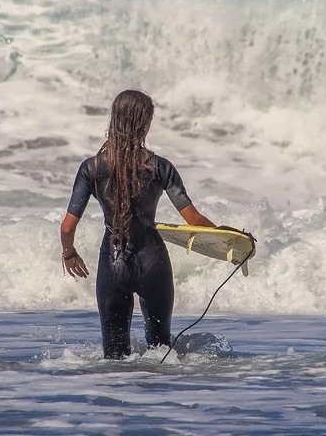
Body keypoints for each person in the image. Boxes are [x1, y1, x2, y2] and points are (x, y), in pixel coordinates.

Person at [59, 89, 216, 359]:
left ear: (114, 120)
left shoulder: (92, 168)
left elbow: (67, 227)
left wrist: (69, 253)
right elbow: (193, 220)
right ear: (144, 123)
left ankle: (122, 398)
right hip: (154, 262)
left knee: (114, 356)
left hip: (113, 262)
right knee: (161, 352)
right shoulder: (159, 167)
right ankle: (152, 400)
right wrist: (227, 238)